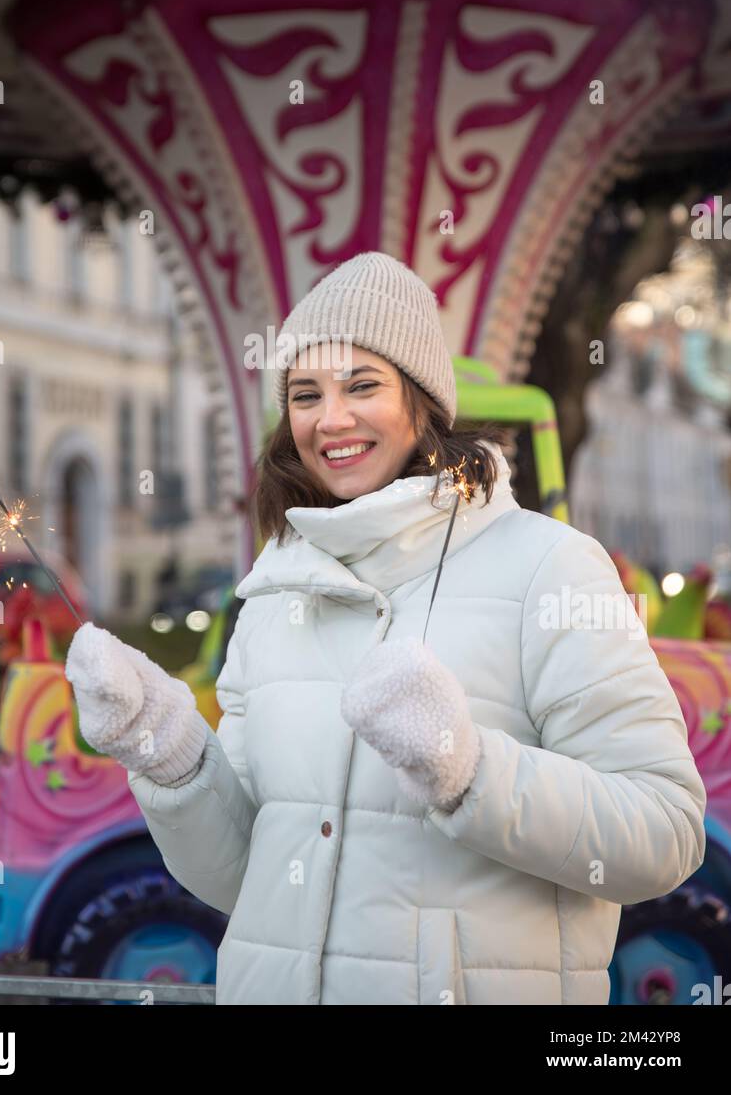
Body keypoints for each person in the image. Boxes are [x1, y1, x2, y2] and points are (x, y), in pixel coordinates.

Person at [65, 251, 706, 1006]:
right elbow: (242, 879)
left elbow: (662, 836)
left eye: (361, 385)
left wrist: (466, 771)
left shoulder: (550, 568)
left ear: (422, 403)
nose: (330, 419)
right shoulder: (275, 589)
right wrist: (170, 756)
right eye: (304, 394)